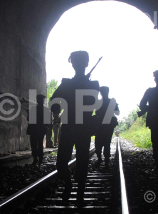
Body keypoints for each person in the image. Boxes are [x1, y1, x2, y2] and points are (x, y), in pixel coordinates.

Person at [50, 51, 100, 204]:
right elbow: (54, 102)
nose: (78, 65)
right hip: (76, 127)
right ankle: (72, 187)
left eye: (79, 62)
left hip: (76, 127)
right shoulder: (73, 84)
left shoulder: (87, 84)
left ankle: (78, 192)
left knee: (78, 161)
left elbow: (92, 102)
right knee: (67, 162)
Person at [94, 86, 119, 169]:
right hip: (107, 126)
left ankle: (101, 159)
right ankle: (106, 161)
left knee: (98, 143)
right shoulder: (111, 102)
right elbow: (117, 112)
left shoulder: (98, 102)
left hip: (100, 125)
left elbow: (95, 113)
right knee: (106, 142)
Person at [26, 94, 51, 164]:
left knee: (34, 145)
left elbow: (28, 119)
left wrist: (29, 113)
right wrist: (46, 128)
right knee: (39, 145)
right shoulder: (45, 110)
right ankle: (40, 159)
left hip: (34, 130)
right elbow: (48, 122)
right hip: (40, 130)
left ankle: (35, 159)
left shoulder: (33, 109)